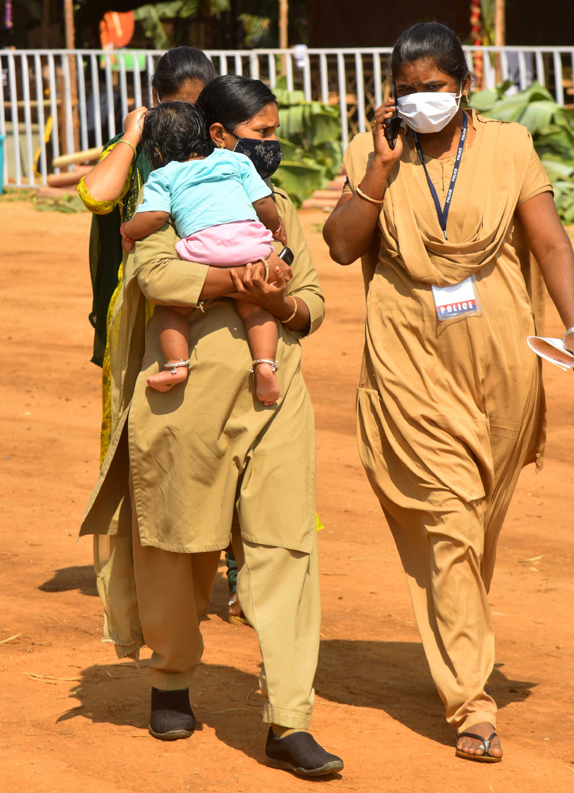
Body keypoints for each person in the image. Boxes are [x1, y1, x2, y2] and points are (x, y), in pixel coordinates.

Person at [323, 22, 574, 764]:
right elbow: (343, 245)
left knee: (478, 527)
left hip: (503, 365)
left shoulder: (509, 146)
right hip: (410, 361)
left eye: (433, 90)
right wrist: (378, 171)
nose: (419, 104)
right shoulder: (371, 150)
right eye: (405, 93)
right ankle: (472, 702)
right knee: (448, 522)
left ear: (464, 87)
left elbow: (550, 242)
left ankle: (457, 637)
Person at [80, 74, 344, 778]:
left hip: (274, 396)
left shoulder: (279, 208)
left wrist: (282, 306)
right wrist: (248, 283)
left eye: (273, 134)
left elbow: (312, 300)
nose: (273, 147)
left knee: (286, 550)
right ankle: (171, 680)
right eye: (261, 135)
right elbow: (156, 277)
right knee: (175, 546)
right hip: (183, 407)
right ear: (221, 137)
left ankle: (290, 718)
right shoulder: (165, 195)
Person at [78, 46, 216, 460]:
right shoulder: (130, 151)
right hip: (138, 311)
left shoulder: (219, 149)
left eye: (198, 110)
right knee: (136, 437)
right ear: (155, 98)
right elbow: (96, 196)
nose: (186, 123)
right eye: (177, 109)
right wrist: (131, 135)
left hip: (206, 304)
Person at [120, 100, 285, 404]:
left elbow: (155, 216)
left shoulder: (163, 175)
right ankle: (264, 365)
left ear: (156, 152)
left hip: (204, 253)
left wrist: (128, 230)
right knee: (256, 310)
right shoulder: (234, 162)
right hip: (253, 249)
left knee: (171, 311)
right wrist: (276, 229)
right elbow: (264, 203)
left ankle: (177, 366)